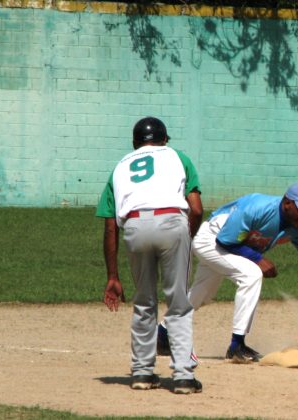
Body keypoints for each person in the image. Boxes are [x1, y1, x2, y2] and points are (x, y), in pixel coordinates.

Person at [157, 182, 298, 363]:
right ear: (287, 203)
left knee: (201, 294)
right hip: (211, 239)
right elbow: (224, 240)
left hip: (225, 245)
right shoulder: (258, 207)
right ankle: (237, 345)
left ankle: (162, 334)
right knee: (251, 274)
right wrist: (259, 259)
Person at [96, 116, 204, 394]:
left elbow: (110, 226)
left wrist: (112, 276)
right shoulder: (177, 156)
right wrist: (185, 237)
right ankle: (183, 376)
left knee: (144, 302)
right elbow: (197, 208)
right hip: (171, 221)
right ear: (165, 140)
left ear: (135, 144)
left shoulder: (120, 166)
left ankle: (142, 373)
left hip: (133, 225)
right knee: (178, 302)